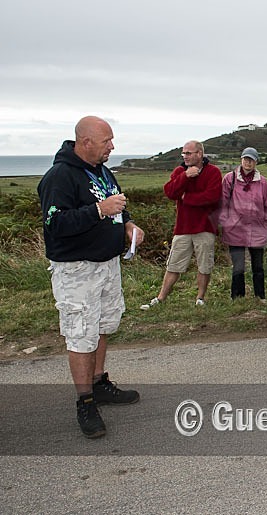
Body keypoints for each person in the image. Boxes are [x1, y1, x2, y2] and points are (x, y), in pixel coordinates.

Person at [38, 116, 145, 438]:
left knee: (103, 325)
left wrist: (127, 225)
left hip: (107, 264)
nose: (112, 146)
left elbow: (118, 207)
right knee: (81, 333)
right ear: (86, 142)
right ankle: (85, 402)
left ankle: (99, 384)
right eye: (107, 141)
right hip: (77, 269)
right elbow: (55, 224)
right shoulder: (59, 177)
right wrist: (100, 210)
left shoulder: (102, 170)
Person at [141, 141, 222, 309]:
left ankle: (200, 298)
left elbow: (213, 197)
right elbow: (170, 192)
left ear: (199, 154)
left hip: (205, 227)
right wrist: (185, 176)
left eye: (189, 153)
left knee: (204, 266)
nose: (185, 156)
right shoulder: (180, 171)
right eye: (183, 153)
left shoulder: (213, 172)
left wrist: (187, 198)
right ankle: (161, 298)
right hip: (183, 228)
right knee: (174, 265)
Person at [219, 147, 267, 299]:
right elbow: (222, 203)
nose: (248, 162)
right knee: (238, 266)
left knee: (258, 266)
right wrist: (226, 222)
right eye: (245, 159)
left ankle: (260, 296)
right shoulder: (229, 179)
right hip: (234, 230)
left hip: (257, 230)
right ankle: (237, 297)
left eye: (251, 159)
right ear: (241, 160)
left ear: (256, 162)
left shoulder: (263, 182)